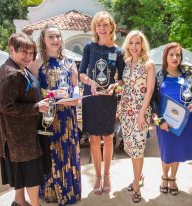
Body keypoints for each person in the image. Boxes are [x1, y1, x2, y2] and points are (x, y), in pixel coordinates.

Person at [0, 33, 49, 206]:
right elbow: (6, 106)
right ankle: (35, 205)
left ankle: (19, 201)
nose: (28, 57)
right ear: (11, 50)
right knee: (32, 176)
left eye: (31, 53)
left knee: (23, 173)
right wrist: (36, 107)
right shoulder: (11, 74)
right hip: (20, 137)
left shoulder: (14, 67)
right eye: (24, 52)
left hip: (19, 136)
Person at [28, 24, 81, 205]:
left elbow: (75, 87)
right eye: (51, 36)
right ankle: (52, 192)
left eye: (58, 36)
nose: (55, 40)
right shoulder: (36, 62)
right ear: (43, 39)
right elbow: (33, 92)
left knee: (67, 152)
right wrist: (51, 94)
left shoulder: (69, 61)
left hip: (68, 115)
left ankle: (69, 190)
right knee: (51, 153)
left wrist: (76, 97)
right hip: (48, 117)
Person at [79, 11, 125, 195]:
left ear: (111, 27)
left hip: (108, 99)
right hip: (91, 98)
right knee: (94, 140)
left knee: (108, 138)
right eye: (99, 25)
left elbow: (122, 79)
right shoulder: (89, 48)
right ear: (95, 28)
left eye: (105, 25)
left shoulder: (118, 51)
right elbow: (81, 73)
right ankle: (97, 176)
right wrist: (90, 82)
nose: (102, 28)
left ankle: (107, 175)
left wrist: (116, 85)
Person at [152, 42, 192, 196]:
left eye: (178, 55)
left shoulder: (187, 76)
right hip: (164, 122)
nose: (175, 57)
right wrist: (159, 121)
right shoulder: (158, 76)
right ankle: (164, 176)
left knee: (177, 151)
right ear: (166, 57)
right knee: (167, 152)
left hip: (183, 121)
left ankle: (173, 178)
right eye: (171, 54)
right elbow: (153, 101)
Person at [119, 30, 155, 203]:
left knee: (138, 149)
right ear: (128, 44)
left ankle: (136, 185)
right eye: (131, 43)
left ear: (142, 45)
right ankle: (138, 177)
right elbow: (125, 86)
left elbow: (149, 91)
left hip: (141, 112)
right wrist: (120, 106)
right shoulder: (126, 62)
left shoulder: (148, 64)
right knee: (131, 148)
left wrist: (141, 114)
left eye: (137, 43)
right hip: (126, 111)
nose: (134, 46)